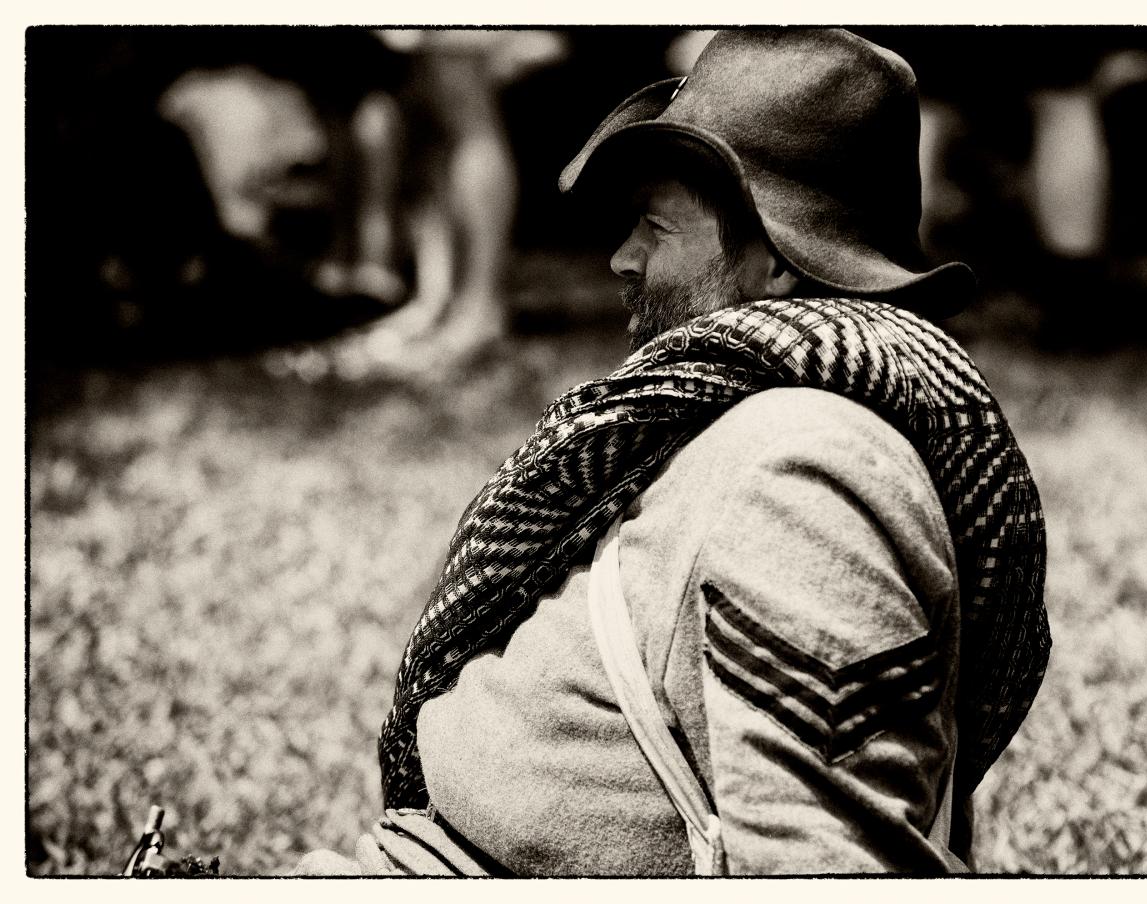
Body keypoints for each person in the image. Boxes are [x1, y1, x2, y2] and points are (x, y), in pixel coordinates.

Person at [297, 27, 1050, 876]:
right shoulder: (741, 416)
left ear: (776, 261)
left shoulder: (805, 474)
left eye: (656, 227)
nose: (622, 258)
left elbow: (827, 864)